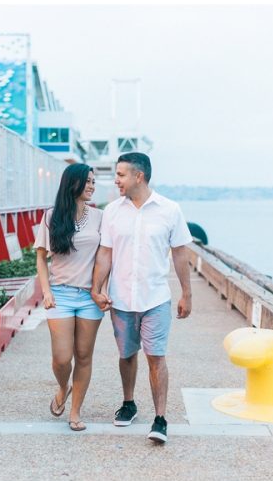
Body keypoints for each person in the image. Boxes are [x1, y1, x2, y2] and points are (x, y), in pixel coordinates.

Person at [91, 152, 193, 444]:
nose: (116, 180)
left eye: (121, 175)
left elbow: (180, 252)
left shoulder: (170, 210)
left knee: (156, 356)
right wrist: (97, 288)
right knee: (126, 354)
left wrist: (186, 293)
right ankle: (129, 402)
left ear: (139, 176)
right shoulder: (112, 211)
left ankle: (160, 419)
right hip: (120, 298)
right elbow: (105, 253)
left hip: (155, 298)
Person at [35, 163, 105, 431]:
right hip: (60, 295)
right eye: (87, 181)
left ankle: (75, 412)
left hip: (89, 296)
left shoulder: (100, 217)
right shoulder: (51, 216)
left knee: (84, 356)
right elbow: (41, 258)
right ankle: (62, 387)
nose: (91, 186)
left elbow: (104, 257)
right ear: (72, 183)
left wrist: (102, 288)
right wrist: (47, 292)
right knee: (62, 358)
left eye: (93, 182)